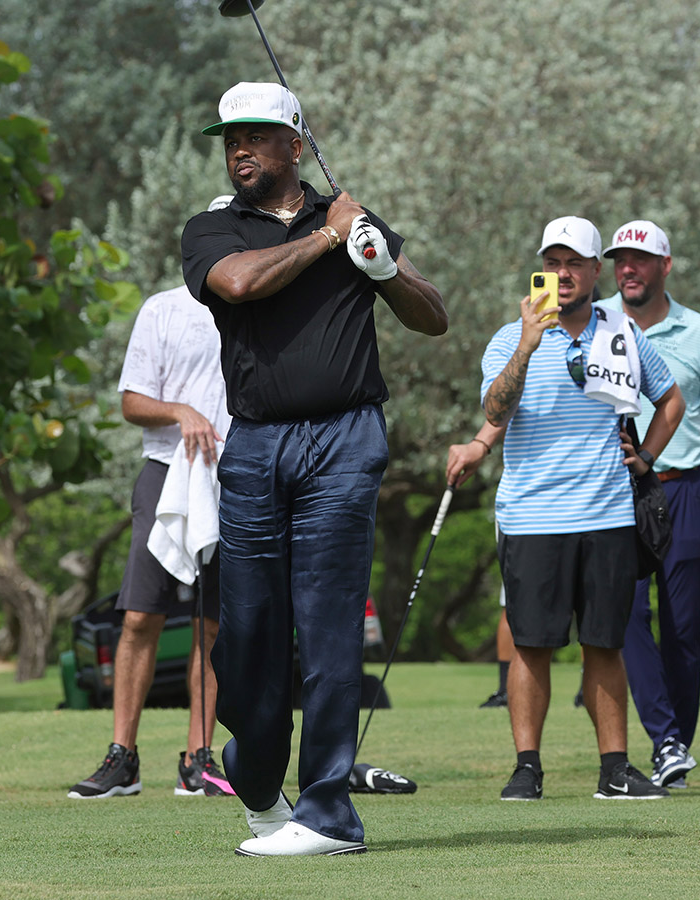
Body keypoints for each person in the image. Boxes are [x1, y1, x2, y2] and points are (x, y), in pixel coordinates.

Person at [181, 82, 447, 856]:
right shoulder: (211, 229)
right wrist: (329, 241)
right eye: (231, 138)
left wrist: (379, 262)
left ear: (294, 145)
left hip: (344, 440)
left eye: (257, 137)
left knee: (330, 628)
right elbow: (237, 283)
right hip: (257, 446)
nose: (239, 150)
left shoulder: (351, 221)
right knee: (249, 640)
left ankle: (330, 813)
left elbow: (432, 315)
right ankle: (257, 775)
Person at [481, 215, 684, 802]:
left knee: (605, 643)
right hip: (531, 517)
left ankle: (615, 769)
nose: (562, 274)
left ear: (597, 271)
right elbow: (495, 410)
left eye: (574, 264)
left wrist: (645, 457)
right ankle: (527, 768)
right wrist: (527, 342)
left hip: (608, 514)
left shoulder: (620, 331)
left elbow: (670, 400)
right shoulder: (508, 337)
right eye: (553, 262)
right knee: (531, 645)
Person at [69, 197, 239, 801]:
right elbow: (133, 400)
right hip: (167, 472)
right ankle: (123, 756)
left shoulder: (264, 306)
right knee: (140, 616)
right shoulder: (164, 308)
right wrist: (183, 411)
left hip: (238, 477)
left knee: (213, 627)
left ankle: (199, 757)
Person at [600, 219, 700, 788]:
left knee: (683, 627)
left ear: (665, 266)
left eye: (639, 260)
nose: (627, 270)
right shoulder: (597, 320)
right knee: (628, 617)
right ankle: (665, 741)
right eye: (619, 261)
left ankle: (675, 746)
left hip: (687, 487)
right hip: (618, 489)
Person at [445, 423, 512, 708]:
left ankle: (587, 689)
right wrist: (479, 446)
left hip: (588, 494)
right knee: (513, 600)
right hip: (523, 499)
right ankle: (506, 689)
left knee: (588, 599)